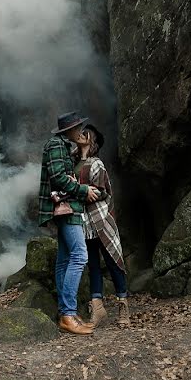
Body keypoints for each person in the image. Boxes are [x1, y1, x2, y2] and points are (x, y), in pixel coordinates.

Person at [38, 111, 102, 335]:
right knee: (79, 256)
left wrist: (82, 153)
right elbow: (58, 177)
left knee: (64, 260)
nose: (82, 131)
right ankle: (67, 313)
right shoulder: (56, 145)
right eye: (79, 128)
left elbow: (68, 173)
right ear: (70, 130)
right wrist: (83, 190)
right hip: (67, 210)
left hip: (68, 209)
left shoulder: (63, 146)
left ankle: (67, 313)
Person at [76, 124, 129, 328]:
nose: (81, 134)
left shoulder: (96, 164)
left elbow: (100, 192)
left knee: (112, 260)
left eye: (85, 133)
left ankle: (123, 304)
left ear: (92, 141)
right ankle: (97, 309)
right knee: (93, 265)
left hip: (100, 219)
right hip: (83, 222)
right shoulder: (73, 162)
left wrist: (77, 191)